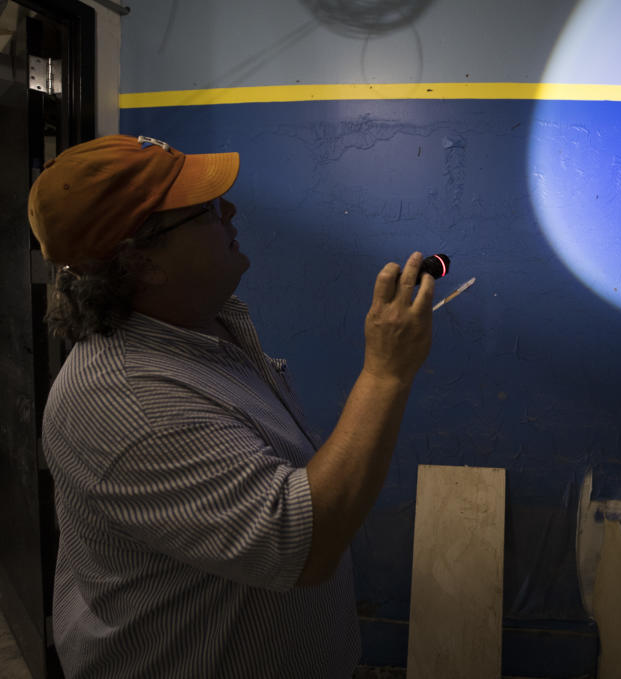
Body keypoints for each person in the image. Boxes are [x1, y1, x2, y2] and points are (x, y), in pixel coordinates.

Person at [27, 134, 435, 678]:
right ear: (142, 264)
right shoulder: (129, 402)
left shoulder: (202, 327)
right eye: (204, 210)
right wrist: (385, 373)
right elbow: (303, 544)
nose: (231, 211)